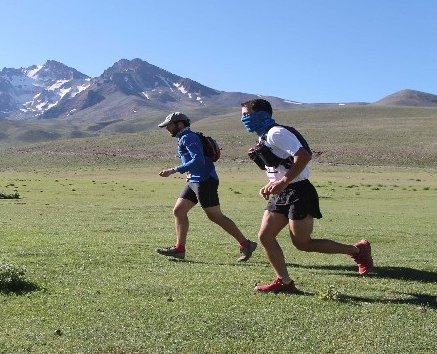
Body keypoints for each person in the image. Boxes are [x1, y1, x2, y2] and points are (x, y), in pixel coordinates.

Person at [240, 98, 373, 293]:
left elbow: (303, 156)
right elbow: (282, 166)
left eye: (246, 115)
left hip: (299, 191)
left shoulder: (277, 133)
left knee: (302, 243)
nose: (243, 119)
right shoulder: (263, 137)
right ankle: (284, 282)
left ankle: (357, 250)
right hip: (282, 192)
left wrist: (283, 182)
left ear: (261, 115)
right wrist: (271, 183)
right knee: (265, 236)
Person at [156, 112, 257, 262]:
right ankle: (179, 249)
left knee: (215, 215)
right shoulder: (185, 137)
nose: (167, 129)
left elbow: (199, 160)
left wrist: (174, 170)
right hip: (194, 180)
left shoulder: (188, 137)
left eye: (169, 125)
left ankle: (246, 244)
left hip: (204, 180)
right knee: (179, 210)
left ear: (180, 124)